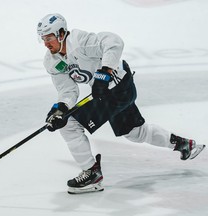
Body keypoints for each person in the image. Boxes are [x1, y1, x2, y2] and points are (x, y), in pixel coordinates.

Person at [37, 13, 205, 194]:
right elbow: (68, 91)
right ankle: (184, 145)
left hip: (119, 88)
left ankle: (91, 172)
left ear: (61, 34)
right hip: (110, 94)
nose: (46, 43)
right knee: (134, 132)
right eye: (43, 39)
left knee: (69, 124)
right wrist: (60, 108)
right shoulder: (52, 62)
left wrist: (105, 71)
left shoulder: (80, 42)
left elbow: (114, 42)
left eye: (49, 38)